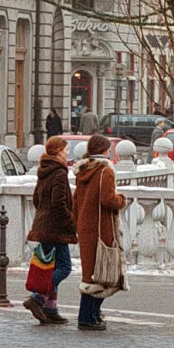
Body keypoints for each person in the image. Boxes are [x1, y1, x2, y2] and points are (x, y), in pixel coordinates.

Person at [72, 134, 127, 330]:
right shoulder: (105, 170)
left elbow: (75, 201)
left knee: (90, 274)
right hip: (102, 227)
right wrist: (122, 199)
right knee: (107, 273)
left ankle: (89, 316)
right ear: (105, 150)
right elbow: (108, 200)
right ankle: (88, 317)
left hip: (85, 227)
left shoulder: (82, 170)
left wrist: (77, 222)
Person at [23, 136, 77, 325]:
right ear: (57, 152)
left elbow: (37, 199)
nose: (68, 152)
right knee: (64, 267)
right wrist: (70, 220)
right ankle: (37, 298)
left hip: (43, 224)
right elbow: (58, 202)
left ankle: (50, 308)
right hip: (55, 227)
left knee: (50, 267)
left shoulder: (44, 170)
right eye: (65, 149)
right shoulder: (60, 173)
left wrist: (43, 216)